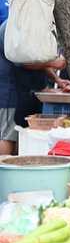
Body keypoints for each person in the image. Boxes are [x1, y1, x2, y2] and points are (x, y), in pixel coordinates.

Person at [0, 21, 16, 154]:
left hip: (15, 89)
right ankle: (5, 173)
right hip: (8, 90)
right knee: (7, 135)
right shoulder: (8, 27)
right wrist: (53, 63)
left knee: (13, 134)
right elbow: (20, 62)